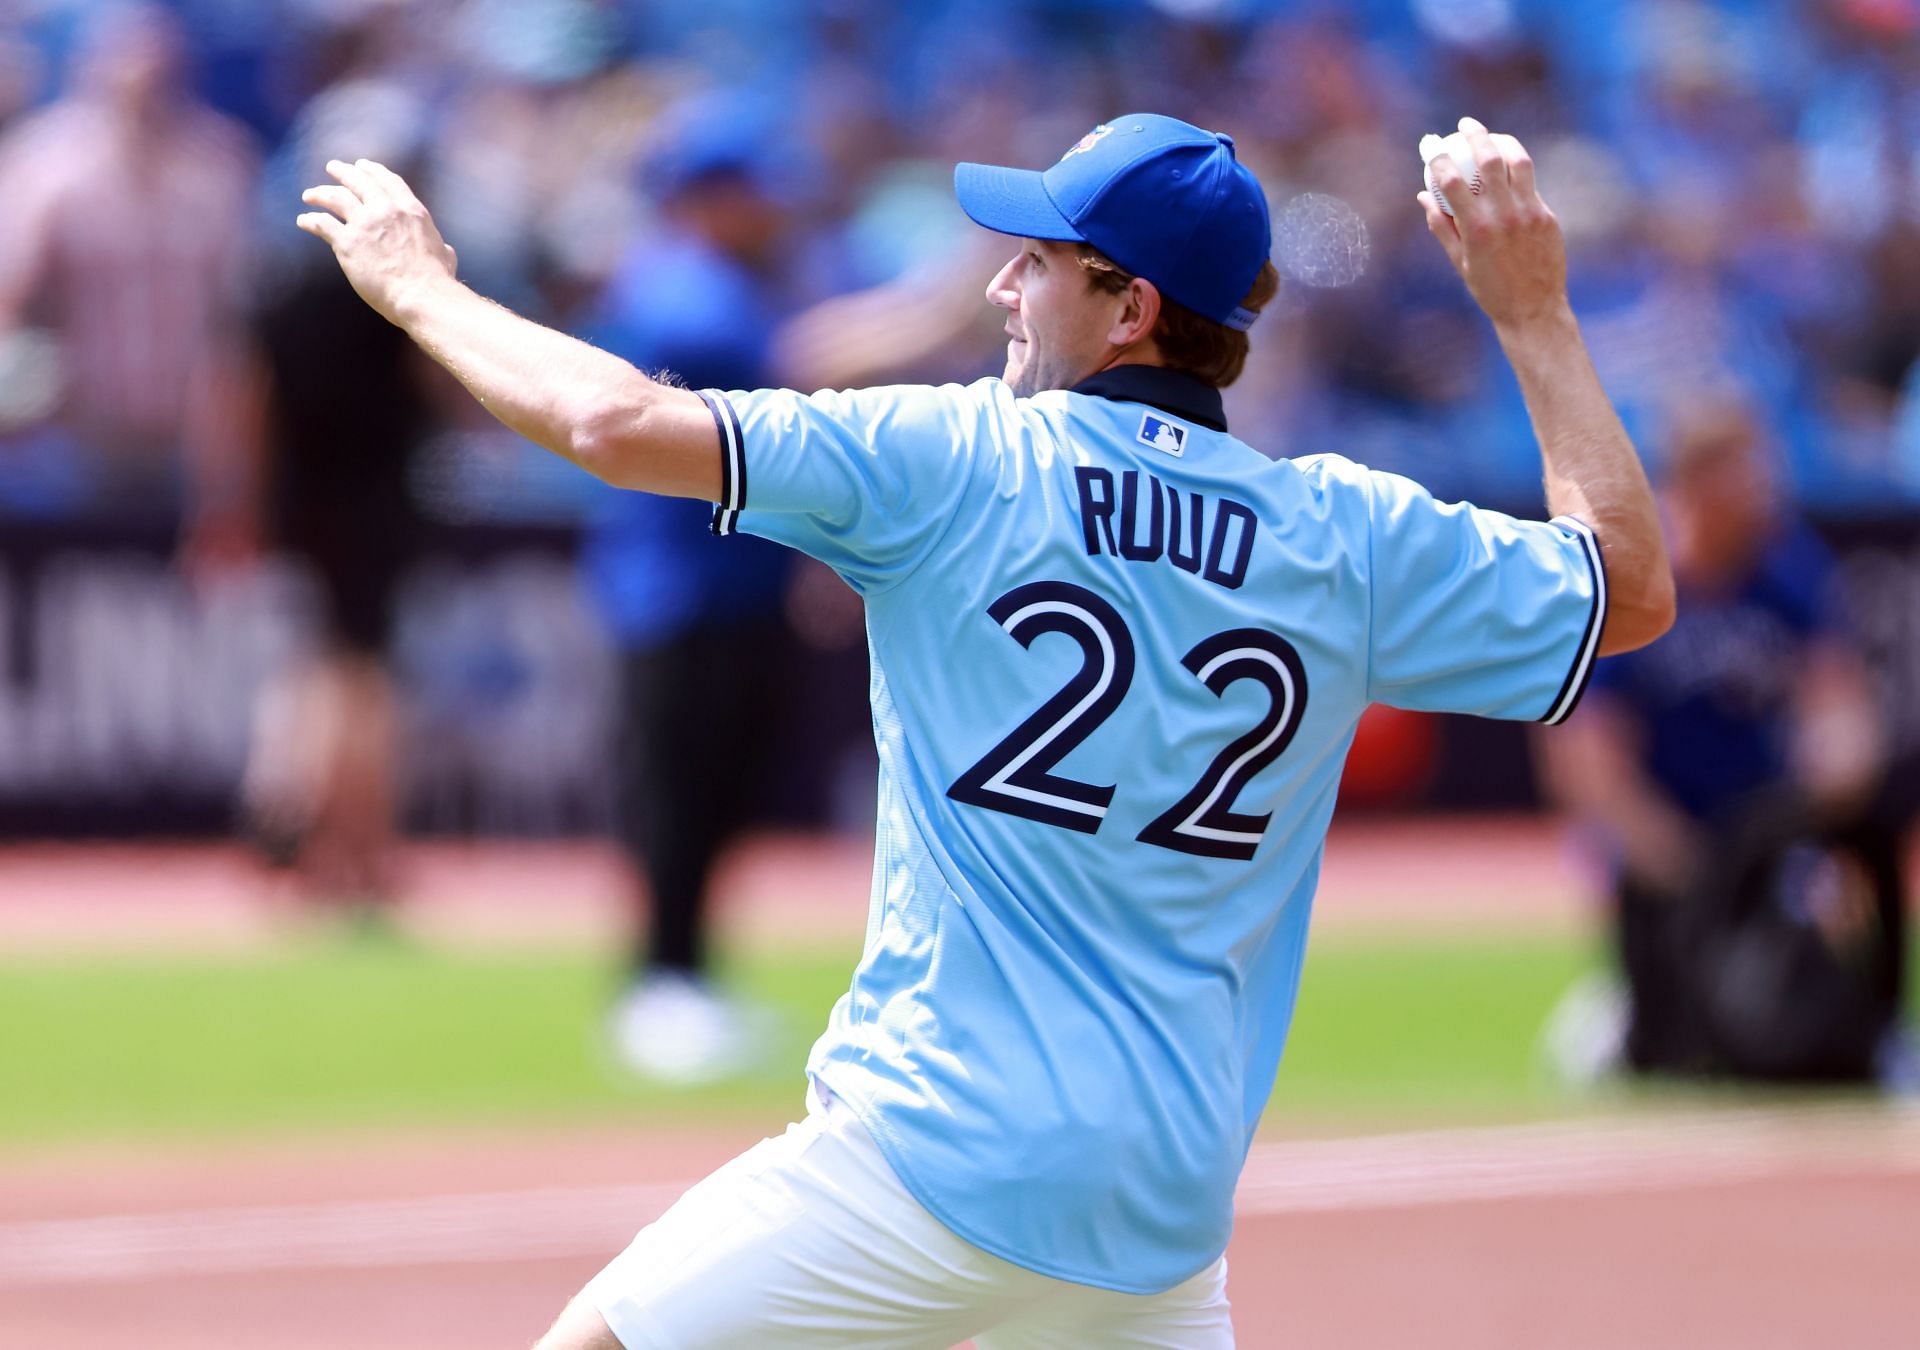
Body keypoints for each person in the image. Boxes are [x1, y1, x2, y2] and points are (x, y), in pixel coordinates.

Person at [296, 113, 1674, 1348]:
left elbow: (608, 419)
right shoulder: (1342, 533)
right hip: (1159, 1217)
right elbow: (1628, 587)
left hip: (934, 1152)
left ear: (1130, 306)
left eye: (1040, 261)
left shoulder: (958, 458)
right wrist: (1534, 310)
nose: (1005, 286)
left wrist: (423, 289)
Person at [1539, 400, 1909, 1086]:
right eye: (1744, 468)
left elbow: (1839, 703)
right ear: (1695, 480)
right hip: (1666, 831)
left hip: (1761, 825)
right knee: (1673, 1052)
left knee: (1877, 822)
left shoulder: (1788, 569)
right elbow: (1585, 753)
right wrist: (1670, 852)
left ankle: (1884, 1026)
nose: (1765, 484)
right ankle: (1636, 1018)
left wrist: (1829, 775)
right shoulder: (1640, 581)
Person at [581, 104, 800, 1082]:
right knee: (676, 795)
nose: (770, 208)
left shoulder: (725, 283)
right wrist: (932, 302)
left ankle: (688, 978)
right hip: (679, 589)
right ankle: (658, 985)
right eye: (751, 190)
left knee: (715, 795)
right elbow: (795, 376)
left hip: (728, 585)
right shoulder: (684, 289)